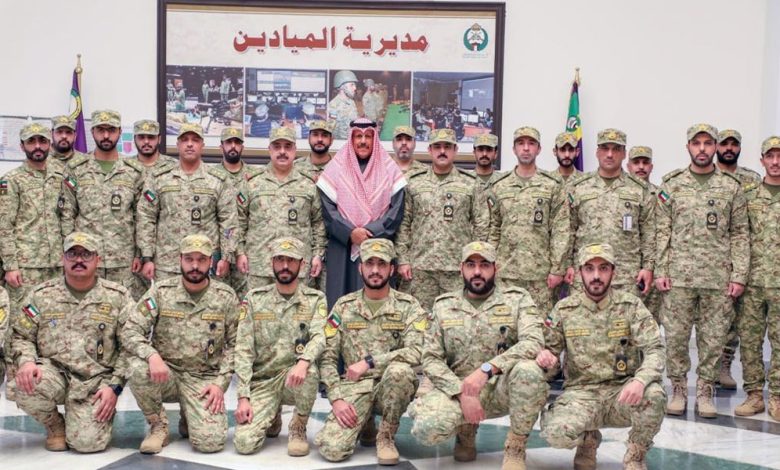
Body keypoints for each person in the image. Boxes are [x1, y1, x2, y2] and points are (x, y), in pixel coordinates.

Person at [410, 241, 548, 470]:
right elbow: (431, 359)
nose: (477, 271)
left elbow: (533, 342)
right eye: (470, 265)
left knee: (529, 371)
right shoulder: (444, 305)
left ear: (496, 268)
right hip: (459, 388)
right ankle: (465, 431)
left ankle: (515, 446)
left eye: (484, 265)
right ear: (461, 269)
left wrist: (487, 369)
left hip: (502, 387)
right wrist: (461, 391)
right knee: (426, 429)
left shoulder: (517, 299)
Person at [537, 243, 666, 470]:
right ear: (580, 273)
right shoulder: (565, 309)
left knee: (654, 395)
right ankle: (588, 440)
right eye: (589, 269)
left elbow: (655, 348)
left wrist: (640, 380)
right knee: (555, 433)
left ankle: (635, 454)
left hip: (622, 393)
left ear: (613, 272)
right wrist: (547, 358)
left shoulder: (630, 306)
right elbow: (549, 353)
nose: (596, 276)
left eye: (603, 268)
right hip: (581, 395)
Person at [656, 123, 749, 417]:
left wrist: (739, 275)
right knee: (676, 337)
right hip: (678, 277)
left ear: (715, 147)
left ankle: (706, 389)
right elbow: (662, 231)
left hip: (717, 277)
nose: (702, 149)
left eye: (708, 143)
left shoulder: (731, 187)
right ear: (688, 147)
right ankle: (678, 388)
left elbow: (740, 234)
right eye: (696, 143)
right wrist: (660, 270)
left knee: (713, 338)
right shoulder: (671, 185)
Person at [11, 232, 131, 453]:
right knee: (23, 384)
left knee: (87, 444)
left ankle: (83, 421)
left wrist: (114, 387)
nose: (78, 260)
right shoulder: (41, 295)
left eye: (86, 254)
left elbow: (130, 345)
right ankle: (54, 425)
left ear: (98, 260)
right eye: (72, 254)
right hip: (53, 372)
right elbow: (21, 336)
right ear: (62, 258)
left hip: (95, 380)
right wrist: (27, 362)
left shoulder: (118, 296)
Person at [122, 234, 239, 454]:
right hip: (166, 373)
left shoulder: (225, 296)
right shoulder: (161, 292)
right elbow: (130, 330)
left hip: (203, 379)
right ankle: (158, 425)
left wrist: (220, 383)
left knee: (210, 443)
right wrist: (151, 355)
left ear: (210, 261)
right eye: (189, 259)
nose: (195, 266)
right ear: (180, 260)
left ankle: (190, 414)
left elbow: (236, 345)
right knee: (137, 368)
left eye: (201, 260)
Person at [315, 239, 426, 465]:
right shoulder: (344, 306)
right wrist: (336, 399)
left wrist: (369, 362)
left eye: (382, 264)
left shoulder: (409, 306)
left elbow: (417, 351)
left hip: (390, 387)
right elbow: (327, 357)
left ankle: (386, 435)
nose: (375, 270)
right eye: (370, 263)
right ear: (360, 268)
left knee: (400, 372)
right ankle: (365, 424)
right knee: (332, 450)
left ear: (391, 269)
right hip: (355, 387)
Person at [233, 237, 327, 456]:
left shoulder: (315, 299)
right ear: (271, 263)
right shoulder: (254, 299)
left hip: (294, 378)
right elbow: (243, 349)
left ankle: (298, 426)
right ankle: (272, 415)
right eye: (280, 259)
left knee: (310, 372)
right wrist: (243, 397)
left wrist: (303, 362)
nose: (285, 266)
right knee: (244, 444)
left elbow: (319, 336)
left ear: (302, 264)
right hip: (263, 382)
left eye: (291, 260)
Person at [0, 123, 65, 398]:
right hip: (26, 266)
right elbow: (4, 225)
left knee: (54, 321)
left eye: (42, 141)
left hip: (58, 264)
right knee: (21, 323)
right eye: (31, 142)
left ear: (49, 143)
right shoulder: (11, 180)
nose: (37, 146)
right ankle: (17, 379)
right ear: (22, 145)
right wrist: (11, 265)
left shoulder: (62, 175)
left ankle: (50, 377)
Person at [396, 128, 489, 311]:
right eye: (437, 147)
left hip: (457, 268)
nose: (442, 151)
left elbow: (482, 224)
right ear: (430, 150)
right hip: (421, 268)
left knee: (456, 320)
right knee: (420, 319)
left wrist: (474, 262)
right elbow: (403, 223)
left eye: (447, 146)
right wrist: (403, 260)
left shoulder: (471, 183)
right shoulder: (413, 182)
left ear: (455, 150)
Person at [317, 119, 406, 307]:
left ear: (375, 139)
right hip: (343, 246)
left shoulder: (389, 169)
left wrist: (370, 233)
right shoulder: (336, 168)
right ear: (351, 139)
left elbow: (395, 212)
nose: (363, 141)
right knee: (340, 302)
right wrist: (350, 233)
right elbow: (328, 211)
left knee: (379, 303)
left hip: (379, 245)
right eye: (358, 136)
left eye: (368, 137)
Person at [136, 123, 238, 281]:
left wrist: (226, 257)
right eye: (185, 140)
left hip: (205, 264)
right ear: (177, 144)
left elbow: (229, 221)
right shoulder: (159, 177)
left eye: (195, 140)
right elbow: (146, 216)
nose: (190, 144)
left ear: (202, 145)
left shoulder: (218, 180)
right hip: (167, 264)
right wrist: (147, 257)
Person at [60, 110, 146, 295]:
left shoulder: (135, 171)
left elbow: (141, 216)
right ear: (92, 132)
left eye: (111, 130)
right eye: (101, 130)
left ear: (120, 132)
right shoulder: (76, 169)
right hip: (85, 258)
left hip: (124, 260)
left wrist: (140, 254)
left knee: (123, 308)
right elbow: (67, 214)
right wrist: (70, 253)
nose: (106, 135)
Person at [487, 126, 571, 316]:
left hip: (540, 275)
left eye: (531, 143)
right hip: (506, 272)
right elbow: (494, 229)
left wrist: (557, 269)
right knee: (504, 323)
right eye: (521, 143)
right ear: (514, 149)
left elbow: (560, 230)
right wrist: (490, 264)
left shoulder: (552, 185)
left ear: (538, 149)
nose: (526, 148)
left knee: (539, 326)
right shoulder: (499, 185)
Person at [567, 128, 654, 299]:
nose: (609, 154)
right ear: (597, 152)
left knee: (625, 317)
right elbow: (568, 229)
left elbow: (649, 232)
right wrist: (567, 264)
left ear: (624, 154)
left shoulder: (639, 189)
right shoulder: (578, 187)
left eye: (616, 149)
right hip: (585, 274)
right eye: (605, 148)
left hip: (626, 275)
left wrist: (648, 267)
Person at [237, 127, 325, 291]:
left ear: (295, 149)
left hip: (298, 266)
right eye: (277, 146)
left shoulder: (308, 184)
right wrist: (240, 253)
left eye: (287, 146)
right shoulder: (251, 183)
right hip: (259, 266)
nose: (282, 151)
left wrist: (318, 255)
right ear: (269, 149)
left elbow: (318, 223)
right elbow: (239, 221)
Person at [734, 136, 780, 420]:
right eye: (770, 156)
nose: (776, 162)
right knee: (750, 341)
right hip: (752, 282)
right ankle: (754, 395)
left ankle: (777, 396)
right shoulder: (749, 195)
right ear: (762, 160)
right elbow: (739, 237)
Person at [715, 128, 760, 390]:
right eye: (725, 144)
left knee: (736, 317)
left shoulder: (751, 180)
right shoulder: (710, 177)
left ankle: (724, 365)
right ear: (717, 147)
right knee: (714, 317)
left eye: (734, 144)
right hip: (716, 258)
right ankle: (709, 367)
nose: (729, 148)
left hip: (747, 257)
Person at [210, 127, 261, 298]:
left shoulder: (255, 176)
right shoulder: (211, 176)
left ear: (242, 147)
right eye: (229, 142)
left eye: (237, 142)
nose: (233, 146)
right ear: (221, 147)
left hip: (247, 251)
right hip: (219, 250)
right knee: (219, 299)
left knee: (245, 301)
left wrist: (241, 251)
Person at [626, 145, 662, 324]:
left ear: (651, 166)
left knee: (650, 323)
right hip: (628, 270)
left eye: (645, 162)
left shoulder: (661, 195)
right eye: (636, 162)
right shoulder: (622, 194)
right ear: (628, 166)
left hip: (656, 270)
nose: (641, 167)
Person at [328, 70, 359, 139]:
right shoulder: (333, 106)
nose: (355, 88)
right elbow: (331, 131)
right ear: (342, 87)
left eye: (355, 85)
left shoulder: (351, 102)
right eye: (351, 85)